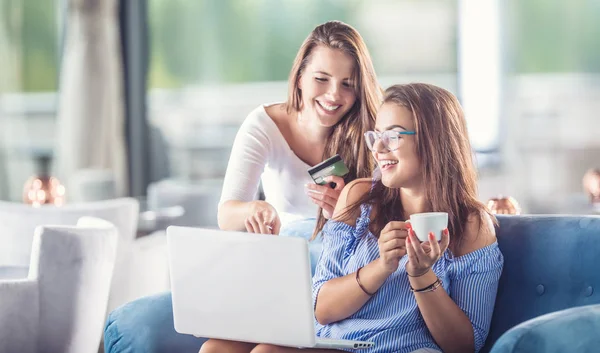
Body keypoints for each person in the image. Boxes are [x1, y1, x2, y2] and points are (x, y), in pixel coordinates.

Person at [104, 20, 382, 353]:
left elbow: (386, 226)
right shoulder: (264, 124)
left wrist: (345, 212)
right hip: (279, 261)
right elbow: (227, 213)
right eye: (321, 79)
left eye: (347, 84)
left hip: (336, 269)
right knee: (140, 327)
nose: (334, 95)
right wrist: (253, 209)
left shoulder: (372, 133)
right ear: (299, 77)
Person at [200, 84, 504, 353]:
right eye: (376, 135)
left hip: (399, 347)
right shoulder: (358, 197)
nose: (379, 148)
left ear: (435, 141)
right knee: (215, 348)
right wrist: (382, 266)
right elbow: (321, 307)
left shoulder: (471, 225)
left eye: (394, 136)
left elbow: (466, 344)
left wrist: (421, 275)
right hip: (334, 342)